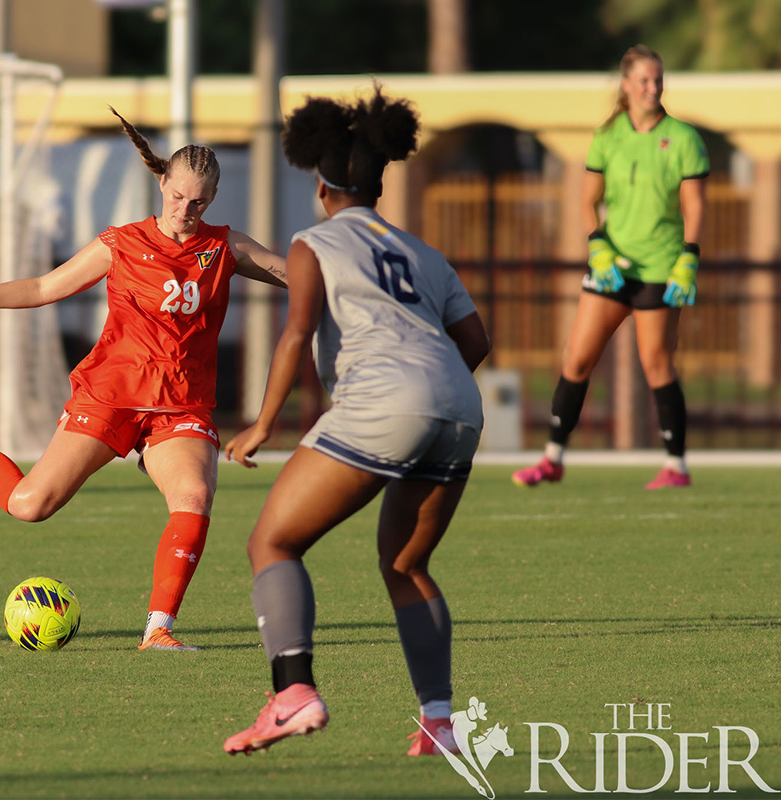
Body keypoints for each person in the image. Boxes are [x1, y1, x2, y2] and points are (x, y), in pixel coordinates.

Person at [0, 107, 287, 652]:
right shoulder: (121, 242)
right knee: (29, 506)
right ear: (162, 183)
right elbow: (44, 289)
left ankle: (158, 629)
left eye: (200, 201)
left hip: (180, 406)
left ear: (213, 198)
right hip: (111, 395)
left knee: (193, 493)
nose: (187, 209)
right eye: (178, 196)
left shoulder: (223, 247)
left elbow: (296, 274)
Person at [221, 87, 491, 756]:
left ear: (320, 185)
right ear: (379, 183)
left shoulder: (314, 243)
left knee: (273, 543)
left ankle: (292, 696)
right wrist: (432, 390)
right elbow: (477, 343)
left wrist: (262, 426)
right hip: (458, 404)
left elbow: (296, 335)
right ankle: (440, 723)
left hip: (385, 401)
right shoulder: (423, 253)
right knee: (406, 564)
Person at [512, 45, 709, 490]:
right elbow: (587, 200)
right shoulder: (607, 136)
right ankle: (552, 458)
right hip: (613, 268)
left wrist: (687, 260)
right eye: (643, 80)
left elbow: (694, 208)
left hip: (661, 267)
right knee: (577, 357)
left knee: (657, 363)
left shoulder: (683, 139)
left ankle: (675, 466)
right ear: (625, 85)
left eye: (658, 80)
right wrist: (597, 246)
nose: (652, 88)